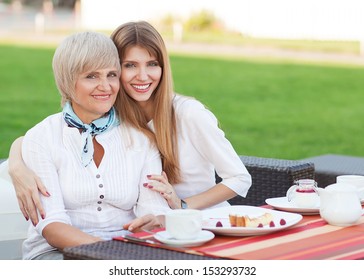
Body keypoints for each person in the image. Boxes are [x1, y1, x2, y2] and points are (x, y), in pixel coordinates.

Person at [8, 21, 252, 225]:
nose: (143, 76)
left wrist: (183, 205)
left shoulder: (188, 114)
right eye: (130, 66)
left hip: (204, 221)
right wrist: (17, 165)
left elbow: (240, 178)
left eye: (152, 64)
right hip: (155, 227)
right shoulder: (111, 113)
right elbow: (56, 132)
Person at [16, 31, 169, 260]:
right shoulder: (42, 137)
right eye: (91, 76)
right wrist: (112, 254)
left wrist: (156, 219)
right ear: (68, 80)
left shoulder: (141, 139)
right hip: (57, 254)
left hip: (128, 249)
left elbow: (154, 209)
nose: (105, 86)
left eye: (111, 75)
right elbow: (52, 225)